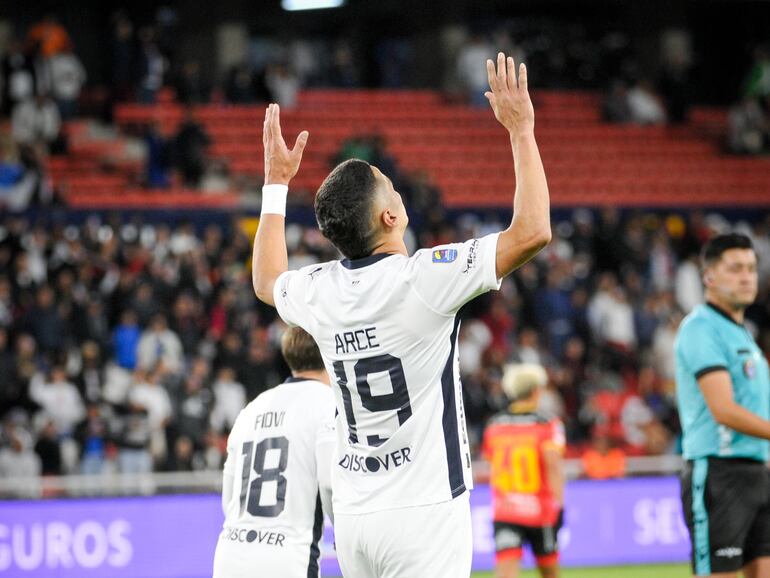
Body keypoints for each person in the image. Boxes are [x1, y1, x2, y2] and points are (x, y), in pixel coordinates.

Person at [252, 52, 550, 578]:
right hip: (425, 509)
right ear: (390, 216)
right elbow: (531, 233)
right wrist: (521, 132)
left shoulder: (321, 290)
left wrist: (276, 184)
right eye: (389, 183)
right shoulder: (423, 279)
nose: (397, 186)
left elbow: (264, 281)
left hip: (356, 516)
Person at [676, 233, 770, 578]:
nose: (746, 276)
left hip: (758, 471)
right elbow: (724, 410)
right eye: (735, 269)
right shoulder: (700, 328)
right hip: (719, 472)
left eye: (750, 268)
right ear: (709, 278)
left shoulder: (742, 333)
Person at [212, 327, 336, 578]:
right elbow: (329, 482)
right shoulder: (328, 402)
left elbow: (229, 499)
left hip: (231, 551)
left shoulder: (253, 407)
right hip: (287, 555)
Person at [482, 364, 565, 578]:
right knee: (550, 573)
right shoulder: (548, 424)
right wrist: (560, 505)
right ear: (536, 391)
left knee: (506, 573)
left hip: (506, 509)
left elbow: (490, 460)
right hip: (540, 510)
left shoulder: (494, 425)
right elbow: (553, 466)